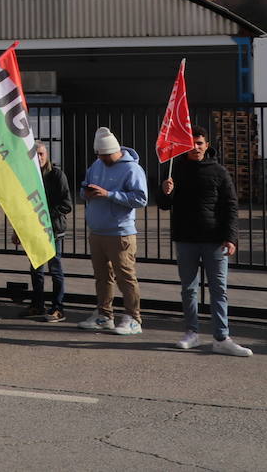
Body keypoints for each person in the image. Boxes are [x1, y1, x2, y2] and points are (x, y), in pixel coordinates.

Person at [155, 126, 251, 356]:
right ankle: (191, 333)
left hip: (214, 240)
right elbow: (164, 205)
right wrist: (165, 191)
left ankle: (221, 337)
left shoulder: (219, 171)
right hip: (186, 239)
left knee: (219, 289)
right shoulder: (176, 170)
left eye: (200, 143)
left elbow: (230, 206)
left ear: (207, 145)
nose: (196, 147)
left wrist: (230, 237)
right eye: (192, 143)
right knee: (189, 289)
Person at [77, 127, 148, 335]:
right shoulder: (97, 165)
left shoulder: (132, 169)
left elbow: (141, 199)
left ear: (115, 151)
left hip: (120, 232)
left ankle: (134, 318)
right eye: (100, 155)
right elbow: (84, 187)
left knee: (125, 276)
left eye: (106, 155)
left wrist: (109, 194)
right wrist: (86, 192)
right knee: (102, 277)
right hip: (98, 230)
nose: (103, 158)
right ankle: (104, 315)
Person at [19, 141, 71, 321]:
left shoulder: (56, 175)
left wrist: (46, 216)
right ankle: (38, 305)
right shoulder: (28, 176)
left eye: (41, 154)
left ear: (47, 155)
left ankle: (58, 307)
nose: (39, 157)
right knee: (36, 269)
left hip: (53, 230)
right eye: (35, 154)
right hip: (34, 230)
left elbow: (66, 204)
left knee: (55, 269)